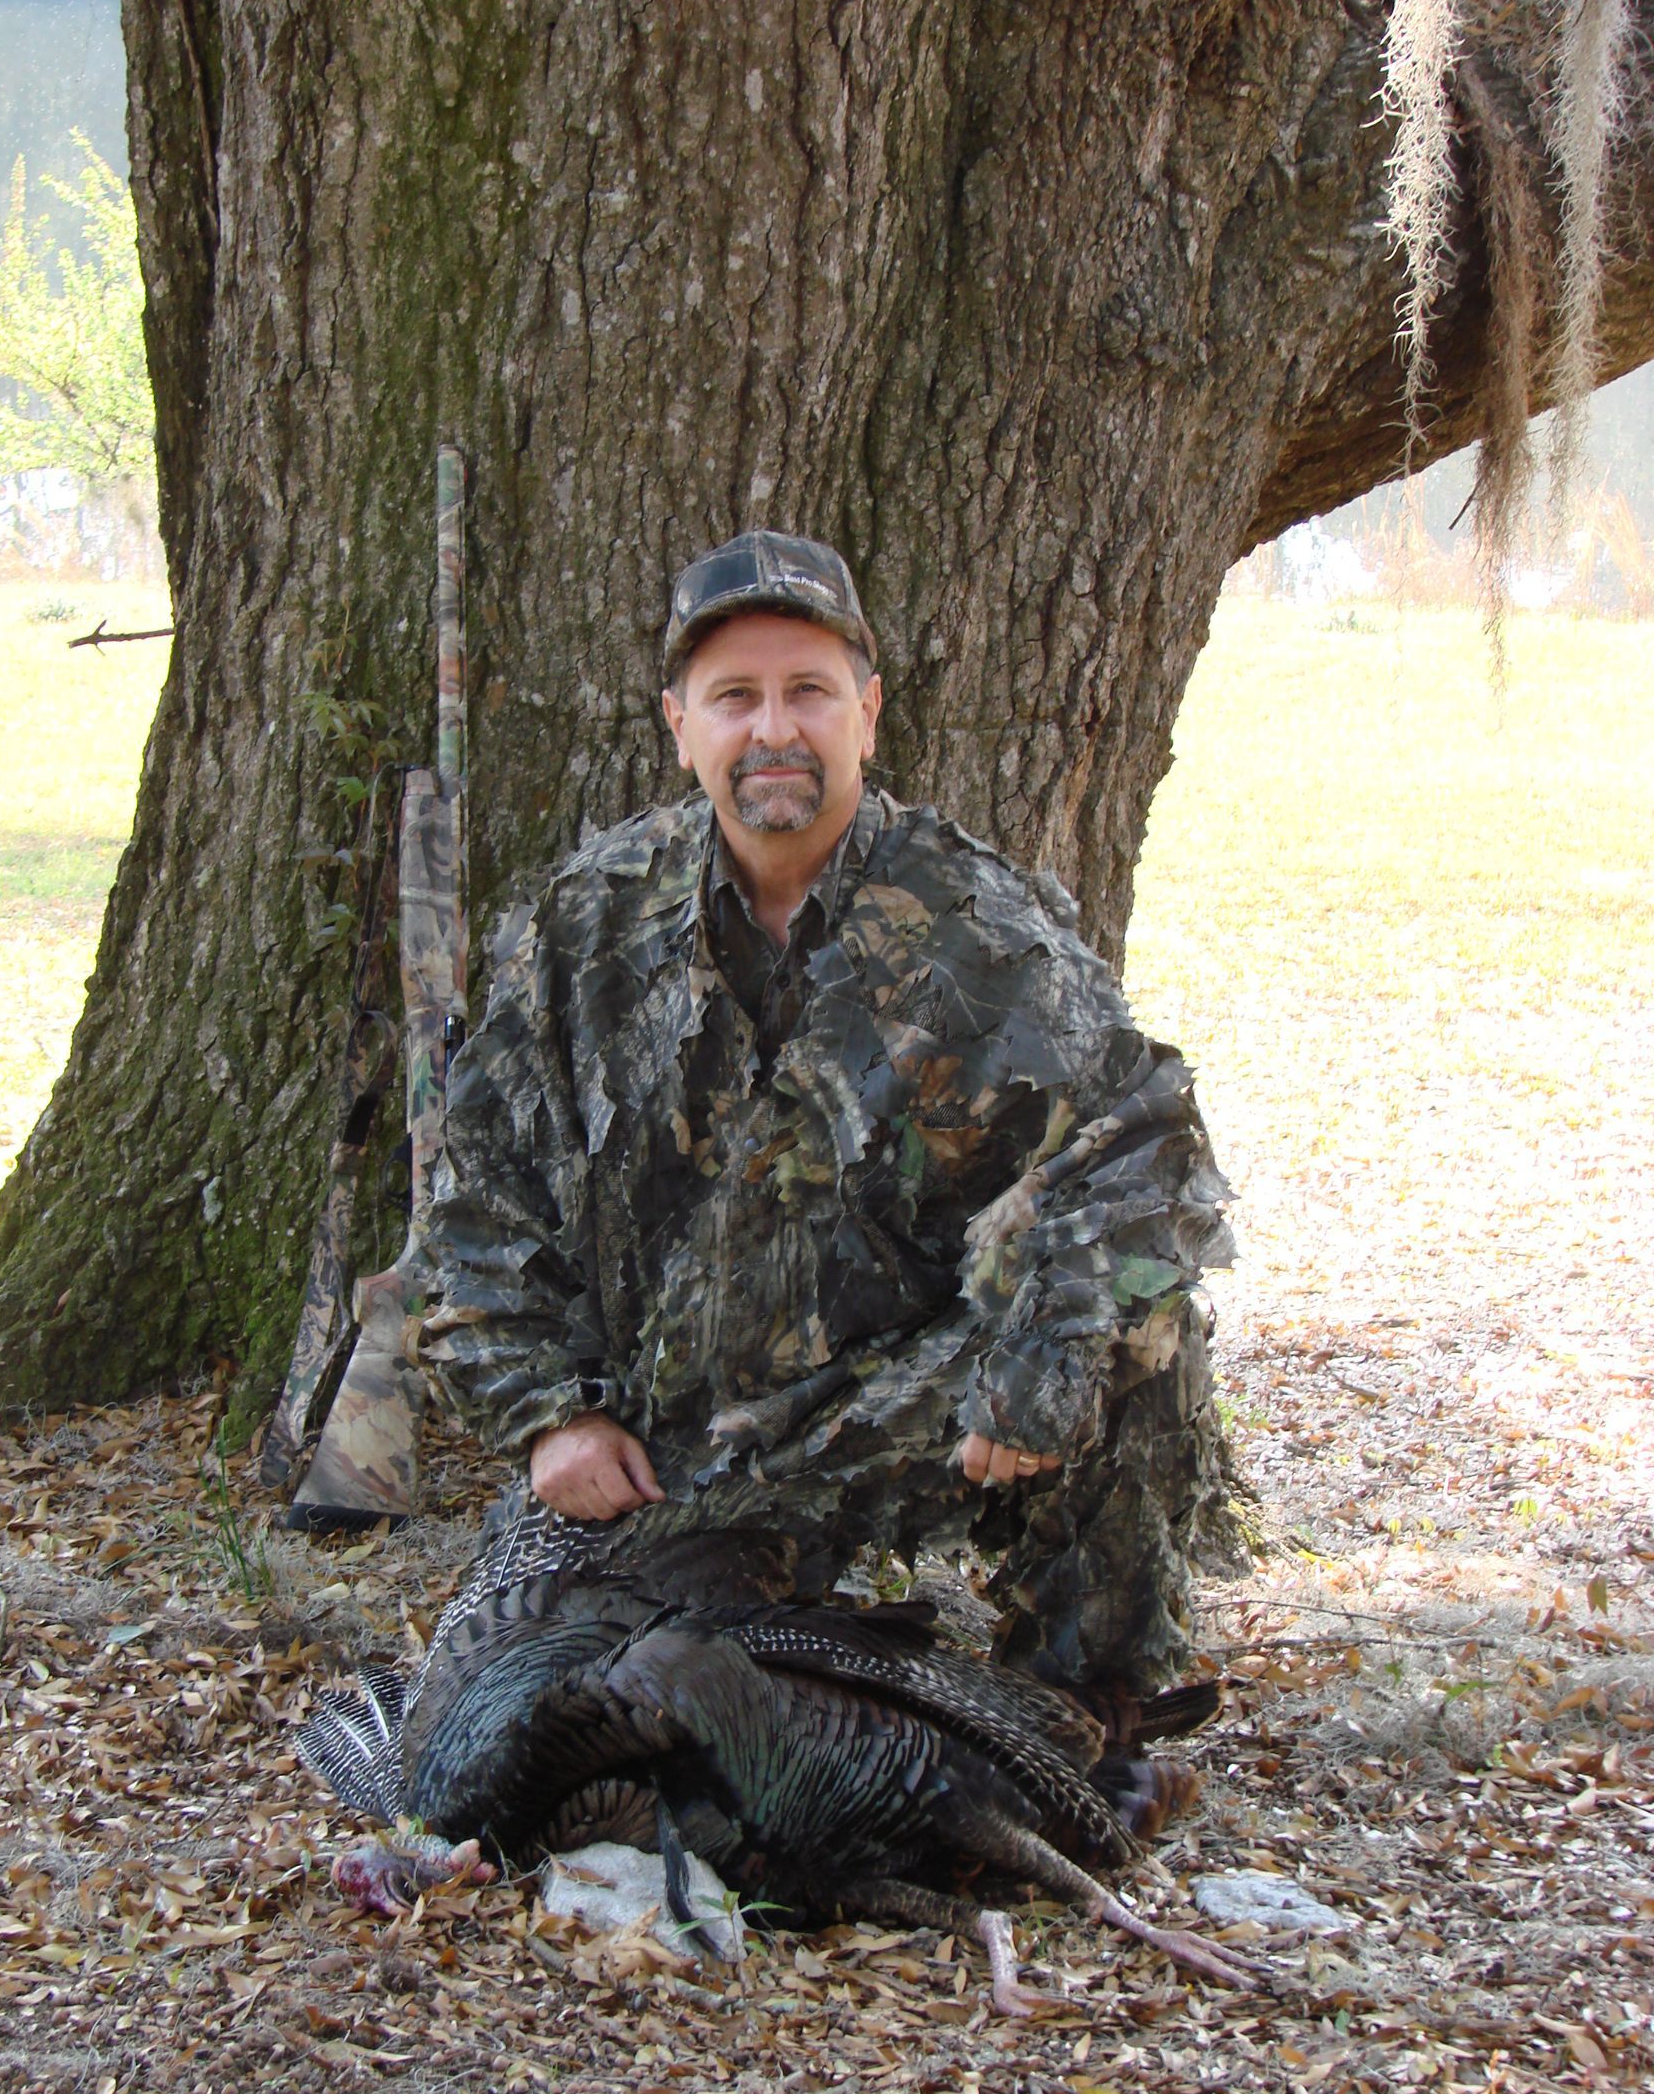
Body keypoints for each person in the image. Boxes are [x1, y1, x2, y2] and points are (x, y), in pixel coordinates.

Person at [418, 531, 1236, 1710]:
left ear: (868, 711)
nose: (773, 731)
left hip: (896, 1406)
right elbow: (479, 1202)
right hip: (672, 1448)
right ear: (678, 722)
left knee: (1137, 1335)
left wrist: (1038, 1356)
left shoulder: (974, 926)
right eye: (734, 698)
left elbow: (1146, 1147)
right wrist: (553, 1418)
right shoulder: (589, 923)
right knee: (573, 1704)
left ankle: (1089, 1707)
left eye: (808, 692)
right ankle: (760, 1604)